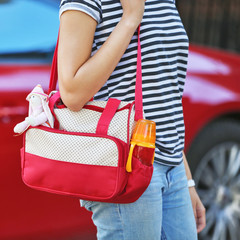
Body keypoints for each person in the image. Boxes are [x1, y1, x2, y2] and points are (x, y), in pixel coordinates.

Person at [57, 0, 206, 239]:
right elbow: (72, 93)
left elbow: (164, 97)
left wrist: (186, 180)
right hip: (126, 163)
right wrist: (130, 18)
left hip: (172, 165)